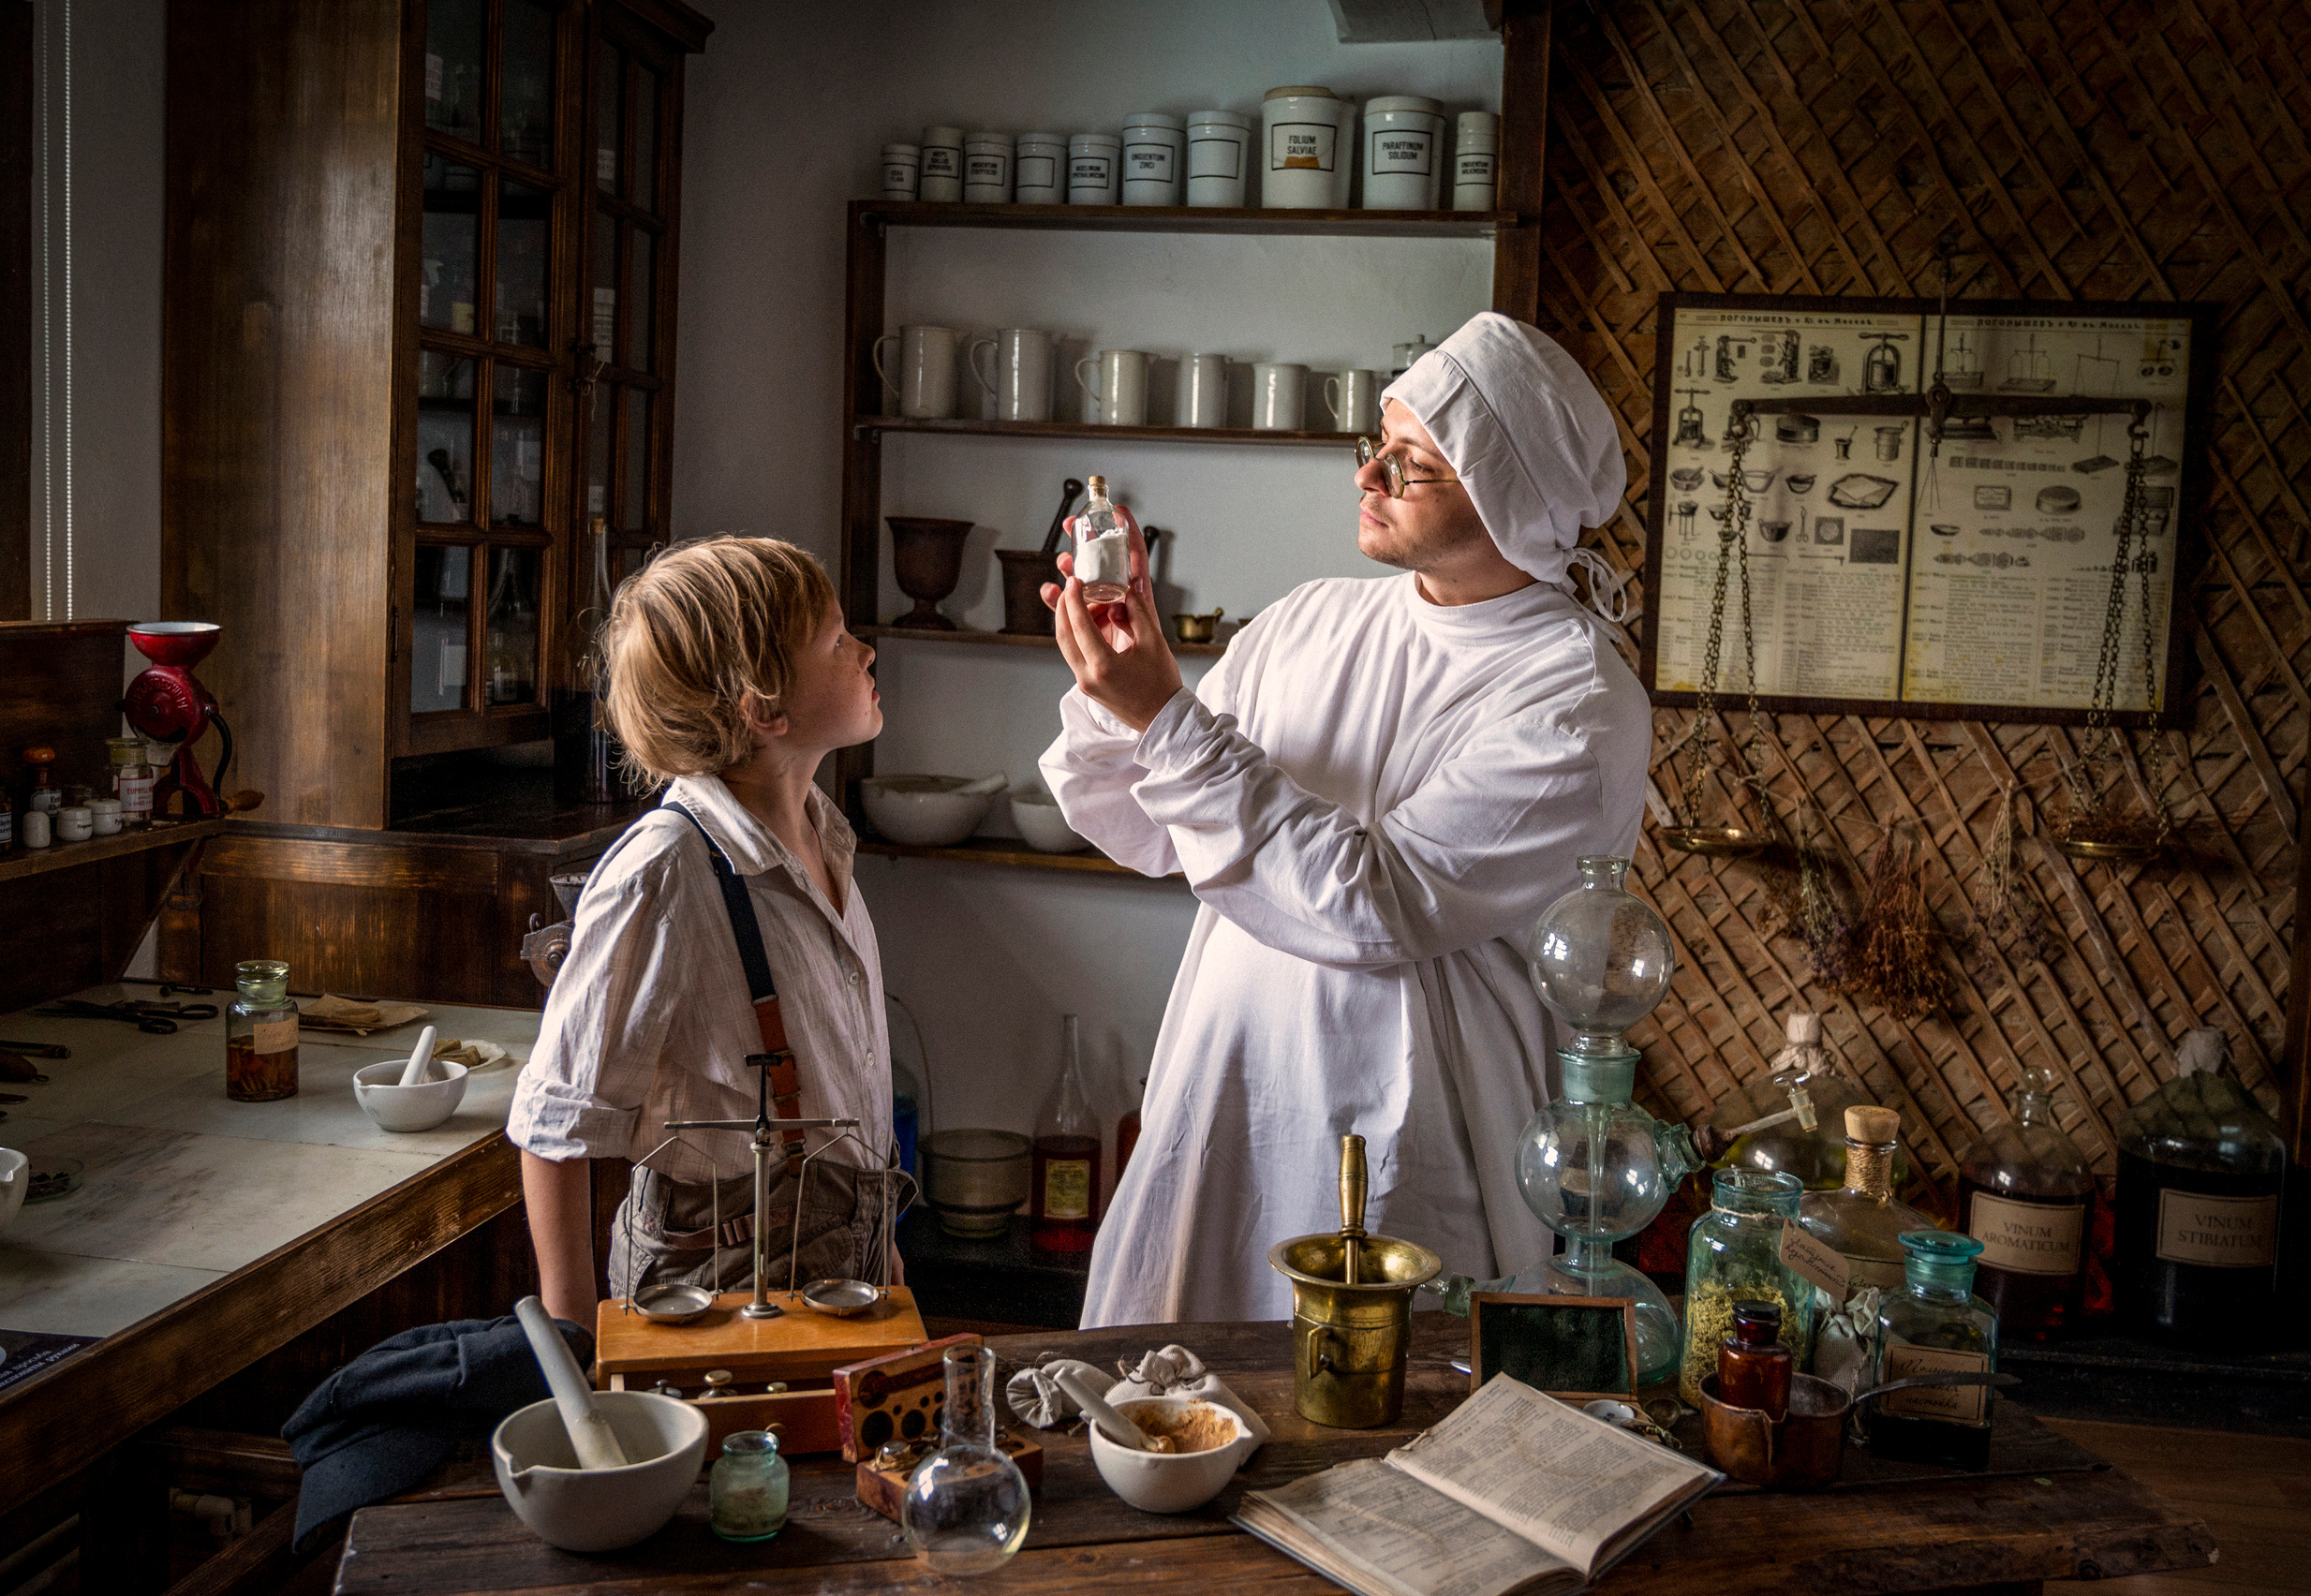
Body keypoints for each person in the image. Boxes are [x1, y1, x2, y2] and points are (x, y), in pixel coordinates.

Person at [1040, 312, 1650, 1325]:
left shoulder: (1572, 697)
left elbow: (1375, 906)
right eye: (1377, 445)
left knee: (1371, 1437)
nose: (1367, 478)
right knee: (1178, 1404)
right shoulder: (1311, 620)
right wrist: (1118, 681)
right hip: (1231, 1097)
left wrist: (1165, 715)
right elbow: (1141, 824)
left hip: (1406, 1135)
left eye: (1410, 465)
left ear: (1510, 494)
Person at [510, 538, 902, 1328]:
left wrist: (880, 1246)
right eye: (834, 641)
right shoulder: (666, 872)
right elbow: (556, 1126)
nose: (864, 650)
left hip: (840, 1255)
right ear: (764, 708)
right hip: (717, 1286)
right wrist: (577, 1345)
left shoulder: (821, 839)